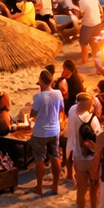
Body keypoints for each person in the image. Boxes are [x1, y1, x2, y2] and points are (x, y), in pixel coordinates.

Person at [30, 69, 64, 197]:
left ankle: (39, 186)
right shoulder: (58, 93)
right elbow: (61, 109)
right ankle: (55, 185)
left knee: (39, 159)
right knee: (55, 156)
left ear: (41, 81)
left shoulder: (39, 97)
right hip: (54, 129)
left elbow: (33, 113)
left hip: (40, 131)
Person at [76, 0, 103, 67]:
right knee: (94, 41)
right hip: (97, 22)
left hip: (88, 24)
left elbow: (82, 13)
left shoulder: (82, 1)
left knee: (83, 42)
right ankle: (96, 56)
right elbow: (98, 8)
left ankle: (84, 59)